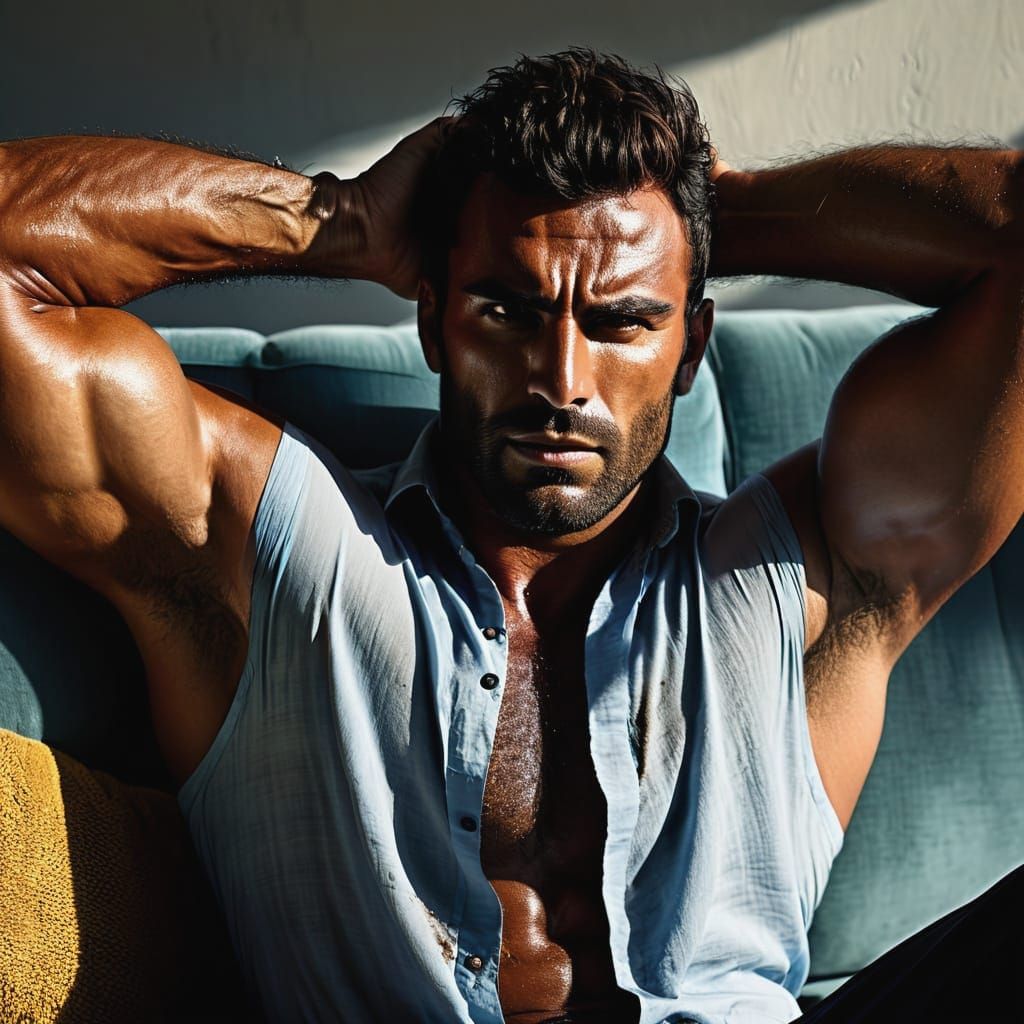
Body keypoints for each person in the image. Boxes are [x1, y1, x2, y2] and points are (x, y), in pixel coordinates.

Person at [0, 47, 1020, 1024]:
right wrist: (341, 217)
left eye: (623, 320)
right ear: (435, 321)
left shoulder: (797, 582)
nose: (561, 380)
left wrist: (706, 214)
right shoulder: (275, 553)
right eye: (507, 308)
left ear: (690, 344)